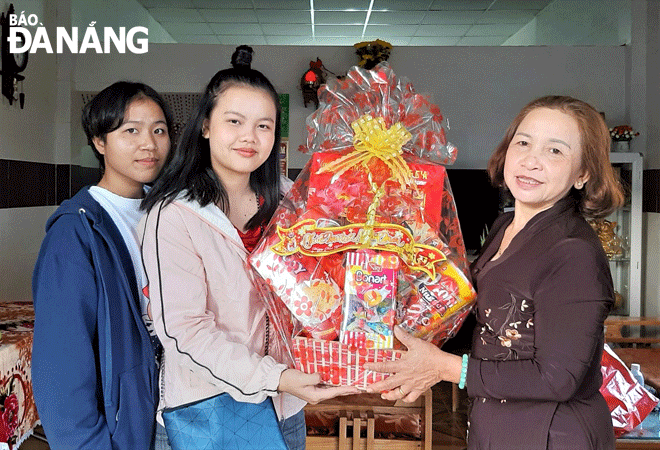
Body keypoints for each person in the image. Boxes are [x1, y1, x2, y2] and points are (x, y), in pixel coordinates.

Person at [364, 95, 624, 449]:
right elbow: (486, 324)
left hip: (551, 435)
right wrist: (393, 334)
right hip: (496, 425)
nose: (531, 160)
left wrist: (443, 367)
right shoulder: (505, 227)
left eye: (555, 151)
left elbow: (558, 378)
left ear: (584, 173)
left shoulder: (573, 253)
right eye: (523, 142)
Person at [139, 45, 357, 450]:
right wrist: (273, 377)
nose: (249, 137)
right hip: (206, 412)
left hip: (286, 408)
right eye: (234, 121)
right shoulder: (173, 216)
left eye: (264, 126)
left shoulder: (293, 206)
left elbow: (321, 294)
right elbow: (182, 331)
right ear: (205, 126)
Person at [32, 81, 174, 449]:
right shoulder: (76, 231)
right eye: (131, 131)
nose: (149, 143)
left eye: (159, 130)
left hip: (170, 417)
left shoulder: (170, 214)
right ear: (99, 141)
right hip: (123, 427)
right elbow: (61, 368)